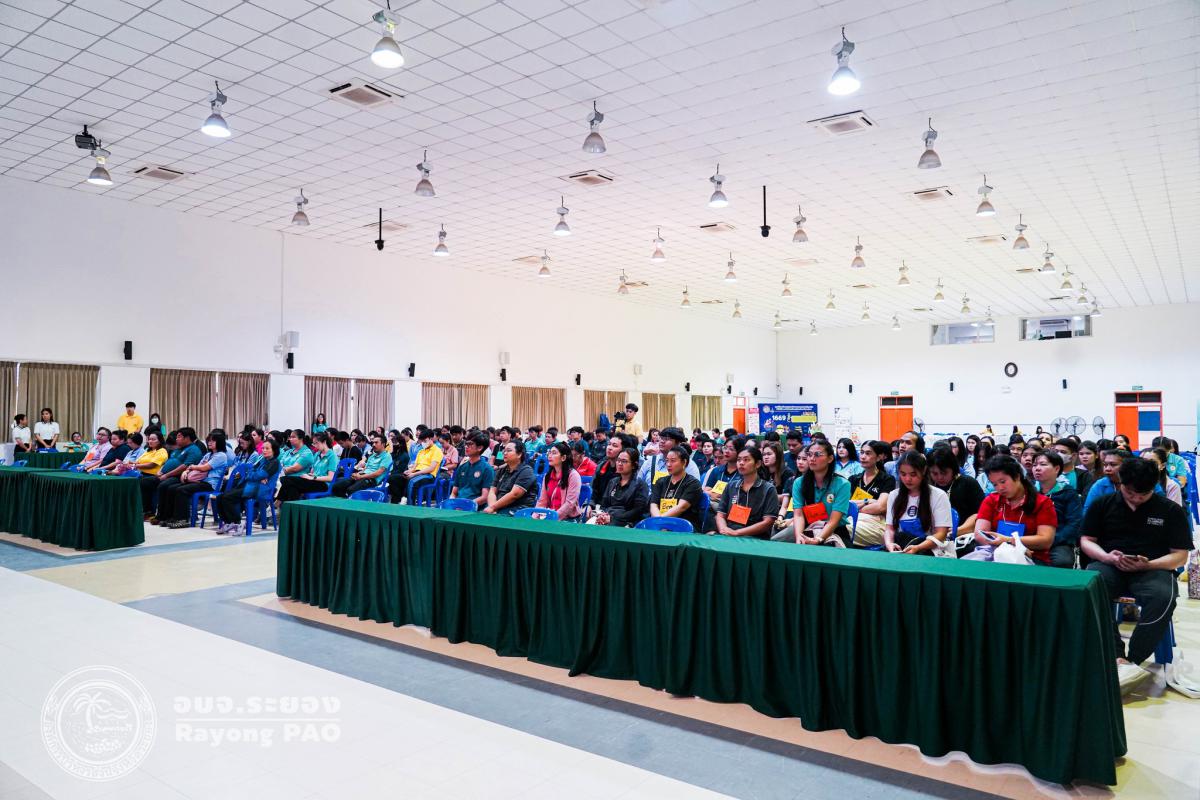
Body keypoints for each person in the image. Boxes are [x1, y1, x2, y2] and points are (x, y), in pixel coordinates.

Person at [1081, 457, 1191, 693]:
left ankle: (1134, 661)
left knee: (1163, 597)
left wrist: (1149, 564)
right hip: (1110, 565)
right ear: (1121, 483)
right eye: (1131, 493)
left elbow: (1180, 556)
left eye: (1144, 494)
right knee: (1090, 588)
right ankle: (1116, 657)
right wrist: (1107, 557)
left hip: (1153, 568)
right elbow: (1087, 541)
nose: (1136, 498)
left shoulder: (1170, 510)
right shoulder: (1103, 504)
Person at [964, 455, 1057, 564]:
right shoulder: (991, 500)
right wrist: (1006, 546)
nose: (1000, 488)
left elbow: (1046, 540)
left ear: (1017, 476)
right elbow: (980, 534)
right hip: (993, 552)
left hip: (1031, 556)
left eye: (1003, 481)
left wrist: (1011, 542)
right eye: (995, 484)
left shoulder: (1043, 503)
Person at [882, 451, 954, 556]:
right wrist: (889, 544)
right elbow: (889, 529)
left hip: (930, 550)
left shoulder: (939, 495)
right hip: (902, 547)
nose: (908, 479)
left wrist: (918, 547)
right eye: (903, 474)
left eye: (913, 474)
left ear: (924, 471)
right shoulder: (894, 495)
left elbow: (941, 534)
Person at [158, 432, 231, 529]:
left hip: (210, 484)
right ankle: (170, 517)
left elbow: (204, 468)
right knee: (172, 488)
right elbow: (198, 466)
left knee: (182, 490)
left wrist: (192, 467)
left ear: (220, 442)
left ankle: (183, 520)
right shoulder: (208, 454)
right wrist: (186, 471)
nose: (209, 442)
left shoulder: (221, 455)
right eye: (209, 440)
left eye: (213, 441)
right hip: (200, 481)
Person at [789, 440, 851, 546]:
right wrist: (799, 536)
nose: (812, 458)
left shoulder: (843, 484)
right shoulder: (799, 482)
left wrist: (818, 539)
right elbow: (798, 515)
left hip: (835, 530)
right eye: (809, 454)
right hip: (808, 527)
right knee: (777, 540)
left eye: (817, 454)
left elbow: (833, 521)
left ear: (830, 458)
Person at [216, 439, 281, 535]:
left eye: (267, 448)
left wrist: (256, 476)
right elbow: (250, 472)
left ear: (274, 450)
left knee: (228, 497)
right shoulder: (262, 459)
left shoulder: (274, 463)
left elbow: (259, 475)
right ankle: (228, 522)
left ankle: (237, 523)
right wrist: (256, 476)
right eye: (263, 448)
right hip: (251, 485)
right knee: (220, 497)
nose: (264, 450)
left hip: (261, 489)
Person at [1032, 450, 1083, 568]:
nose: (1037, 468)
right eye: (1035, 465)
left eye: (1043, 464)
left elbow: (1074, 523)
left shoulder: (1068, 492)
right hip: (1031, 539)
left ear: (1056, 469)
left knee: (1062, 561)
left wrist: (1050, 540)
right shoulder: (1029, 492)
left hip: (1059, 541)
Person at [715, 446, 780, 538]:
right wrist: (723, 529)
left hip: (755, 538)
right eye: (739, 460)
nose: (741, 463)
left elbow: (768, 522)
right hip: (729, 534)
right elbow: (720, 514)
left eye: (746, 460)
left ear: (758, 464)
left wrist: (737, 533)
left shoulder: (768, 489)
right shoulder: (731, 486)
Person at [927, 445, 985, 541]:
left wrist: (957, 531)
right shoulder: (928, 486)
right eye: (934, 473)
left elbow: (980, 514)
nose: (940, 477)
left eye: (944, 473)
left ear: (953, 468)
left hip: (963, 536)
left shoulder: (968, 483)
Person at [846, 440, 896, 547]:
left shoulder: (887, 479)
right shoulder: (853, 479)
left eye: (868, 453)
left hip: (876, 523)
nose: (863, 457)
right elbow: (846, 505)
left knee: (840, 530)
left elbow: (881, 507)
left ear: (879, 457)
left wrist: (855, 507)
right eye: (861, 452)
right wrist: (868, 501)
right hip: (853, 519)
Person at [144, 428, 201, 519]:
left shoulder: (193, 449)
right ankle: (148, 511)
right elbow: (168, 462)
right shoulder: (178, 449)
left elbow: (185, 466)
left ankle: (163, 516)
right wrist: (160, 471)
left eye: (179, 437)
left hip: (180, 476)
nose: (176, 439)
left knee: (164, 485)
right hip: (165, 474)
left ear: (187, 438)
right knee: (144, 482)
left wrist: (166, 475)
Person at [649, 446, 704, 531]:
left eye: (673, 461)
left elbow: (681, 507)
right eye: (667, 460)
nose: (668, 464)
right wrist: (658, 522)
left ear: (684, 462)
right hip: (659, 524)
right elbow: (653, 504)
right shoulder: (660, 481)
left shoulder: (693, 483)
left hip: (683, 526)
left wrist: (660, 521)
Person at [590, 448, 648, 527]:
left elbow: (637, 511)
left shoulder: (640, 485)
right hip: (607, 518)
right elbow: (604, 505)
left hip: (627, 522)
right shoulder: (612, 482)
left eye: (624, 461)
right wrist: (603, 515)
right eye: (618, 460)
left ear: (634, 465)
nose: (620, 464)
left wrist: (613, 518)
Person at [276, 432, 338, 502]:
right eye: (313, 443)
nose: (315, 446)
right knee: (292, 488)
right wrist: (309, 475)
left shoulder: (332, 456)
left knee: (286, 480)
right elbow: (313, 472)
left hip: (324, 484)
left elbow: (330, 478)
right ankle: (293, 508)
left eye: (316, 443)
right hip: (314, 481)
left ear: (324, 442)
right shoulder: (317, 454)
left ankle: (277, 502)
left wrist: (313, 478)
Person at [329, 432, 391, 497]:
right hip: (362, 476)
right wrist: (358, 474)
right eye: (373, 443)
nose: (373, 445)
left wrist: (361, 476)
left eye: (376, 442)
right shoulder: (372, 455)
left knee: (351, 490)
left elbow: (377, 473)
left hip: (372, 480)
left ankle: (350, 501)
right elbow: (365, 469)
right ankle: (345, 501)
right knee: (336, 487)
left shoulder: (387, 456)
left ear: (383, 444)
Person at [484, 440, 538, 516]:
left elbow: (514, 494)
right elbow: (492, 491)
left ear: (519, 454)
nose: (505, 453)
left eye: (509, 450)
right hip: (498, 507)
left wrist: (493, 507)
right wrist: (492, 507)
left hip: (518, 510)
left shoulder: (526, 471)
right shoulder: (501, 470)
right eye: (504, 451)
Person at [536, 441, 582, 520]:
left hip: (568, 519)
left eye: (554, 453)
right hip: (550, 516)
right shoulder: (547, 476)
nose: (550, 456)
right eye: (549, 453)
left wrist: (553, 517)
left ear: (563, 458)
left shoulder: (573, 476)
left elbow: (569, 504)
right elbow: (542, 501)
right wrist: (534, 517)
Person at [451, 431, 495, 509]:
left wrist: (465, 505)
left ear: (480, 448)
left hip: (475, 508)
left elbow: (484, 497)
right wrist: (452, 502)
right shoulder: (462, 467)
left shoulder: (487, 469)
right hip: (458, 506)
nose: (466, 446)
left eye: (470, 444)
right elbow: (454, 493)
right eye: (466, 443)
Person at [403, 429, 443, 502]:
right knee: (401, 478)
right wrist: (410, 471)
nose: (423, 443)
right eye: (422, 441)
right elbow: (415, 466)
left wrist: (414, 474)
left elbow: (431, 468)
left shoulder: (437, 451)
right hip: (418, 473)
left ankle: (411, 505)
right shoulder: (421, 451)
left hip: (429, 475)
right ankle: (403, 499)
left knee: (413, 482)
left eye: (425, 441)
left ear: (431, 439)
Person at [760, 441, 795, 510]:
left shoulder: (787, 473)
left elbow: (787, 498)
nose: (766, 457)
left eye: (769, 454)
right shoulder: (761, 472)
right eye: (764, 454)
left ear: (778, 455)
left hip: (781, 509)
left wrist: (765, 496)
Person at [591, 434, 626, 504]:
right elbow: (593, 490)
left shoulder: (625, 471)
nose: (609, 448)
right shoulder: (601, 466)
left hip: (615, 507)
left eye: (615, 446)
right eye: (609, 444)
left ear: (623, 450)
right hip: (598, 506)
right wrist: (589, 505)